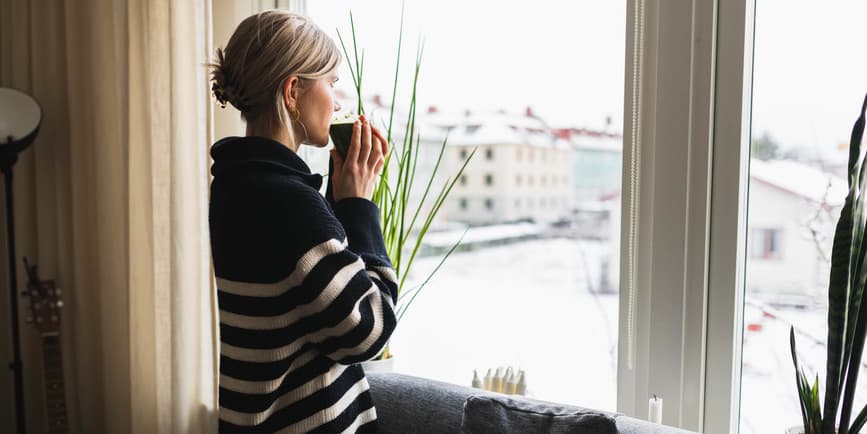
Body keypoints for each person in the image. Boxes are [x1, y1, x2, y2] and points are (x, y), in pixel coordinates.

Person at [207, 10, 397, 433]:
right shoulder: (289, 204)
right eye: (331, 83)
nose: (338, 100)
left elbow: (303, 304)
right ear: (293, 91)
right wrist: (358, 206)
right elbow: (369, 331)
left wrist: (331, 199)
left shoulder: (232, 185)